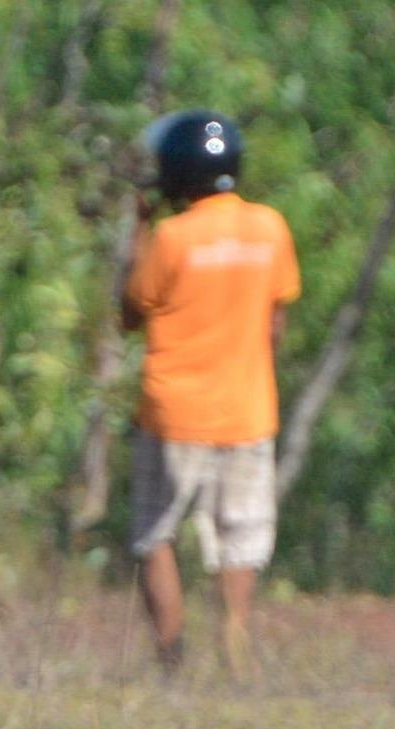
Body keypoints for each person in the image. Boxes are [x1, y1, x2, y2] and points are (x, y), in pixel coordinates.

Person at [121, 109, 300, 675]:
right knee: (240, 537)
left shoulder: (172, 236)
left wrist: (138, 227)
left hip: (174, 414)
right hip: (247, 410)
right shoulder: (270, 227)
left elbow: (129, 312)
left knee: (155, 533)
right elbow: (275, 323)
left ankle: (171, 655)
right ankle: (235, 641)